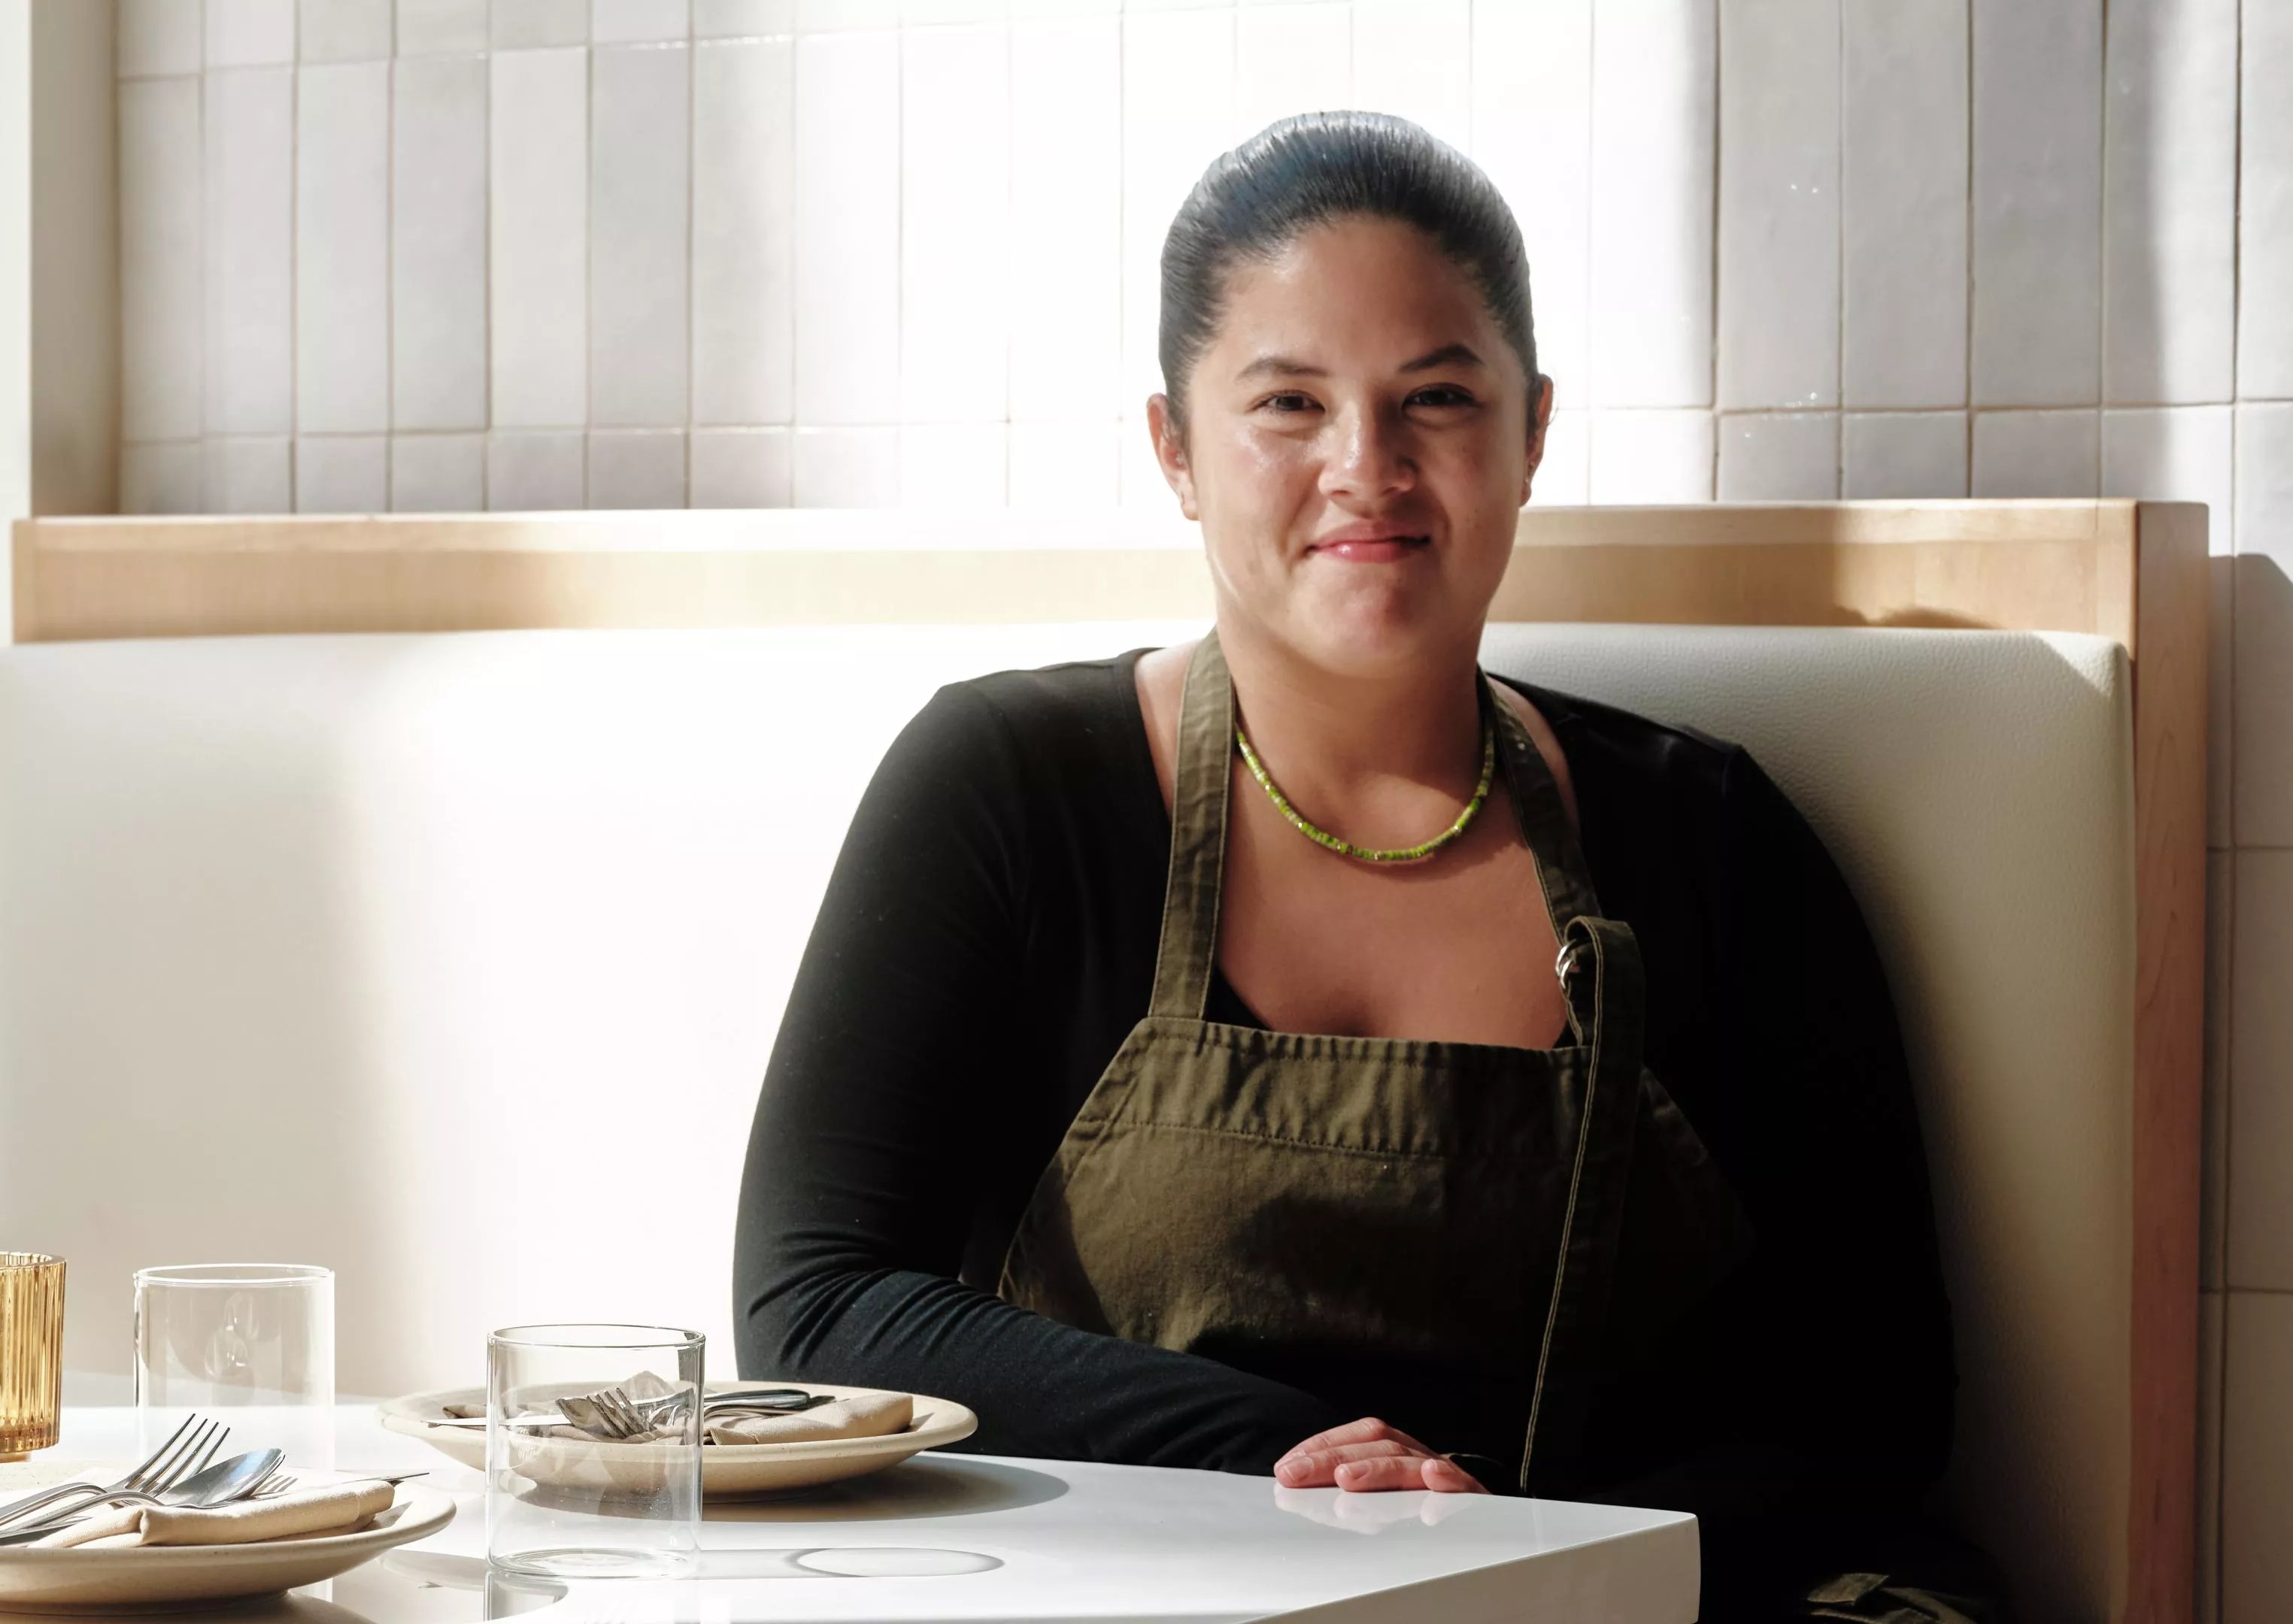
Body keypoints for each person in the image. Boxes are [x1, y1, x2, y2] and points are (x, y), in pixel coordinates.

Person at [734, 112, 2003, 1622]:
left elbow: (1875, 1401)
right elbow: (816, 1306)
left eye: (1437, 397)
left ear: (1530, 433)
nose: (1368, 468)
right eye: (1288, 403)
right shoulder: (1012, 787)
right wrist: (1296, 1470)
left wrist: (1518, 1550)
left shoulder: (1714, 839)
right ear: (1176, 451)